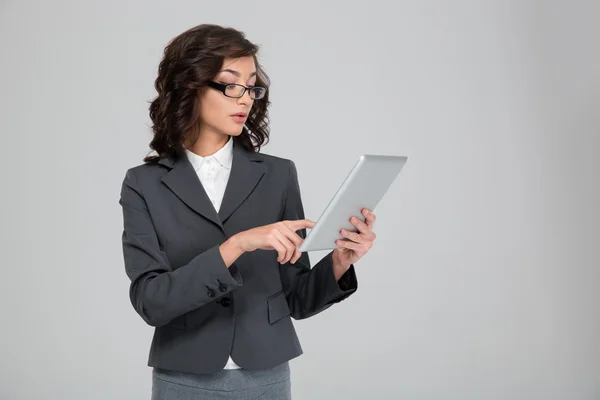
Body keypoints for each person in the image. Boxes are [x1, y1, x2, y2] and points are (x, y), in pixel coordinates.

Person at [119, 23, 377, 399]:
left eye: (252, 86)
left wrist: (339, 261)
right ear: (189, 86)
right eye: (230, 84)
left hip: (266, 377)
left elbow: (297, 298)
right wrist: (236, 245)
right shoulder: (143, 184)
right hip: (183, 377)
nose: (245, 99)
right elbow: (152, 301)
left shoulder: (278, 174)